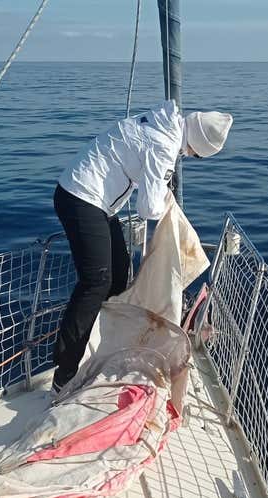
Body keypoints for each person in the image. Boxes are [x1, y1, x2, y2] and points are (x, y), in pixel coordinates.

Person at [51, 100, 233, 392]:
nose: (190, 157)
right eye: (197, 155)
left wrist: (161, 187)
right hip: (81, 198)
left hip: (94, 200)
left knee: (119, 272)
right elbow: (148, 208)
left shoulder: (164, 124)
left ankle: (99, 347)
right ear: (198, 145)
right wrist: (165, 199)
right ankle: (66, 371)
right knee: (96, 281)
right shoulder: (165, 144)